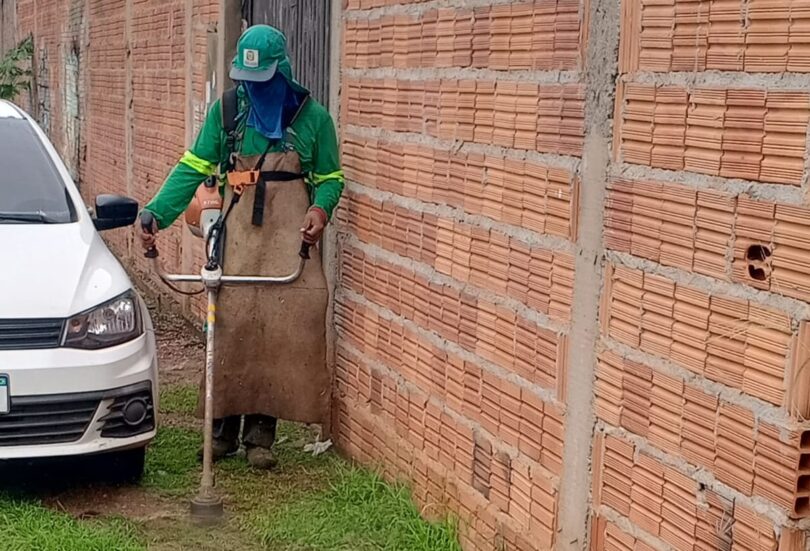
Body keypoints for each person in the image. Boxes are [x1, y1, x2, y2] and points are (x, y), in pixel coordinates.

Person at [138, 24, 343, 469]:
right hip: (237, 235)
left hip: (287, 240)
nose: (251, 89)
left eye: (261, 82)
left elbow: (330, 178)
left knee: (273, 330)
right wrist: (157, 212)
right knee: (229, 326)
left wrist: (320, 212)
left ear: (282, 72)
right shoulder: (229, 112)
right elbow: (193, 165)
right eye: (245, 81)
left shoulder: (313, 119)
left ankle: (260, 437)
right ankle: (221, 431)